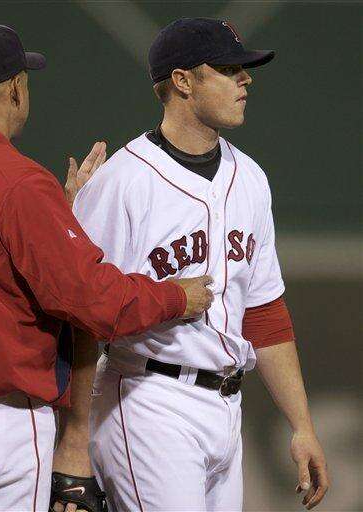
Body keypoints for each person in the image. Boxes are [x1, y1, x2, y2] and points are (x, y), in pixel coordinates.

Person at [0, 23, 213, 512]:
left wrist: (61, 218)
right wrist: (178, 296)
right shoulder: (17, 181)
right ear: (17, 88)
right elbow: (93, 300)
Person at [70, 17, 330, 512]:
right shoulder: (122, 181)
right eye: (229, 69)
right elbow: (80, 317)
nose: (245, 79)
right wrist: (74, 439)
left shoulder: (249, 178)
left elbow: (264, 313)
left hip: (226, 407)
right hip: (147, 398)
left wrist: (302, 426)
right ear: (183, 81)